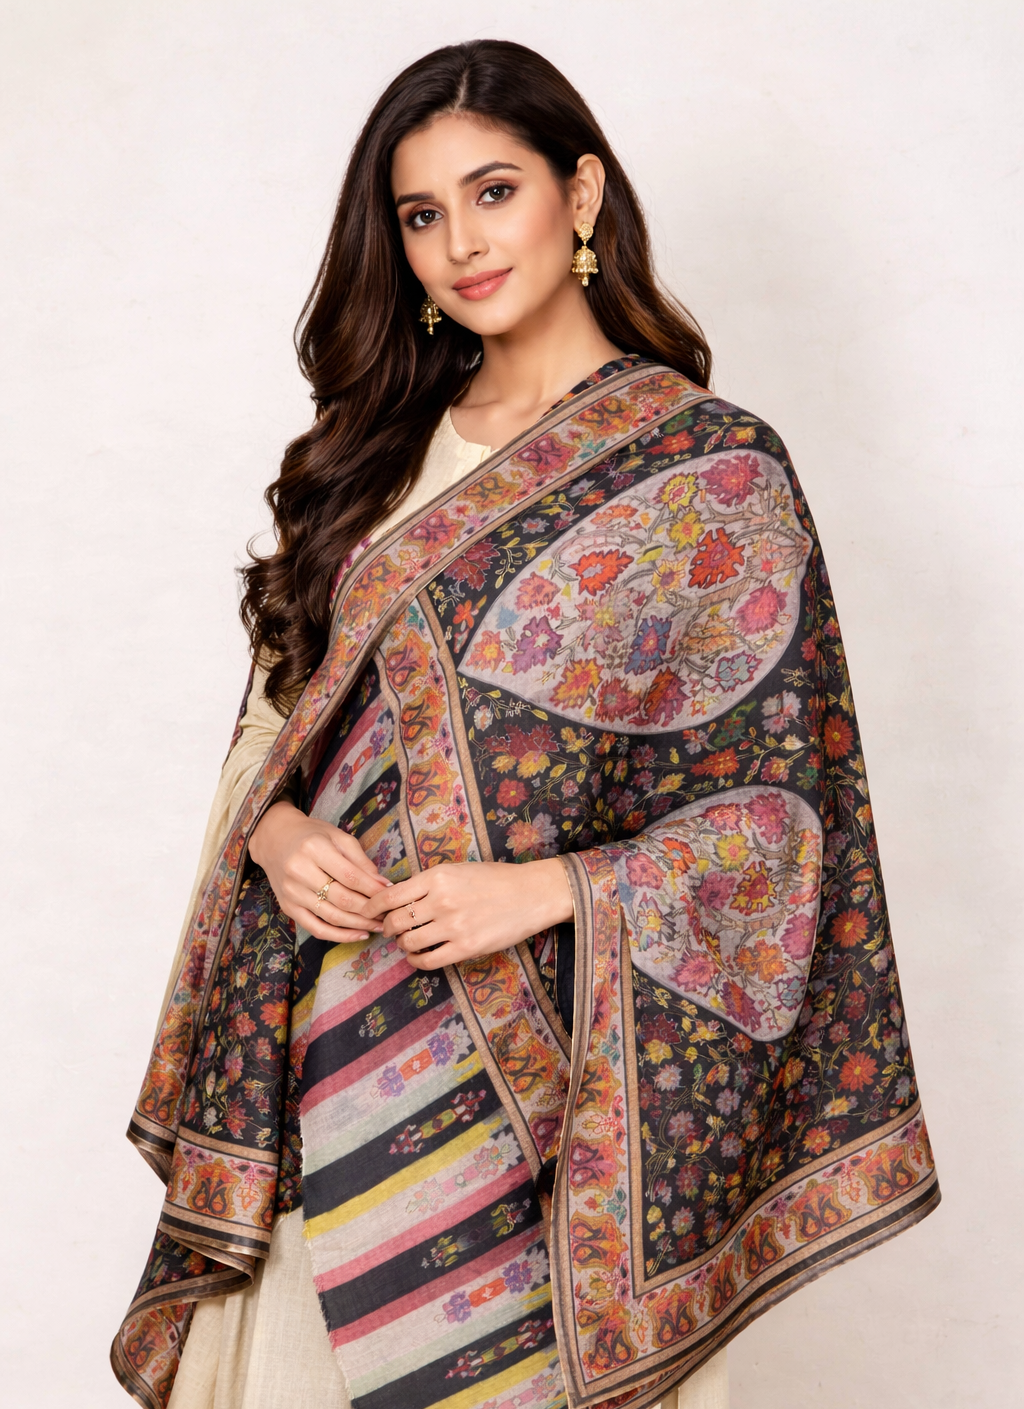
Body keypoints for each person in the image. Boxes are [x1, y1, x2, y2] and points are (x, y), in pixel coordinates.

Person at [112, 39, 938, 1409]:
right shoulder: (371, 453)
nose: (460, 244)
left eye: (493, 192)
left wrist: (552, 889)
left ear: (583, 196)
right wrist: (273, 836)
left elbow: (783, 832)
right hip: (325, 1041)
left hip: (557, 1110)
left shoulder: (709, 472)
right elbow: (277, 719)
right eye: (420, 214)